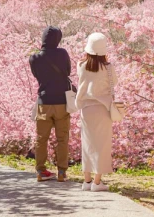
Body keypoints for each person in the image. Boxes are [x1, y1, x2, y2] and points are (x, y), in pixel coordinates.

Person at [29, 26, 72, 182]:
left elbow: (37, 76)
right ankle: (61, 172)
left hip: (43, 102)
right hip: (61, 102)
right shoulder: (62, 53)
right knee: (62, 138)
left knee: (41, 138)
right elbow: (68, 72)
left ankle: (41, 171)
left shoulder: (34, 58)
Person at [75, 32, 116, 192]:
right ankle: (97, 182)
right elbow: (115, 82)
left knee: (87, 144)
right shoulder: (108, 68)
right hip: (103, 109)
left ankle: (86, 181)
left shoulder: (81, 65)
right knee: (102, 145)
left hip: (86, 109)